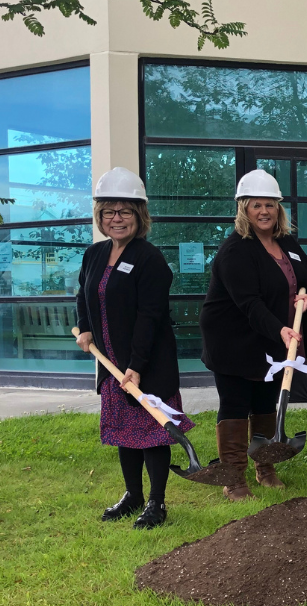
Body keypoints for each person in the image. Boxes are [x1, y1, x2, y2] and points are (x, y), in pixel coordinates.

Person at [75, 167, 194, 530]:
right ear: (100, 216)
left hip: (147, 366)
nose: (116, 218)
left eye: (125, 211)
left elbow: (150, 316)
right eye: (109, 211)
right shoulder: (94, 255)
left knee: (153, 433)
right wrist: (84, 329)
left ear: (139, 215)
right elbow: (83, 295)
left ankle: (157, 503)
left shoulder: (149, 258)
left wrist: (137, 365)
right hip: (112, 367)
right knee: (126, 434)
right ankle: (133, 496)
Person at [200, 169, 307, 501]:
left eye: (270, 204)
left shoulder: (286, 241)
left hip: (273, 339)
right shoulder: (235, 251)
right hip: (234, 340)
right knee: (235, 403)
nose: (264, 211)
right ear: (243, 209)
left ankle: (265, 468)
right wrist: (281, 330)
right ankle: (233, 479)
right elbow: (250, 304)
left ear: (278, 208)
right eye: (256, 205)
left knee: (264, 404)